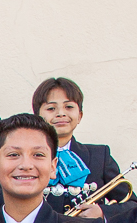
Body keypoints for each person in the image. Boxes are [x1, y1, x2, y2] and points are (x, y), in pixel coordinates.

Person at [32, 77, 128, 214]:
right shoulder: (27, 159)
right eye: (51, 108)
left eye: (69, 107)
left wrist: (102, 212)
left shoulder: (99, 156)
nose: (61, 113)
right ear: (38, 117)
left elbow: (132, 205)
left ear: (80, 116)